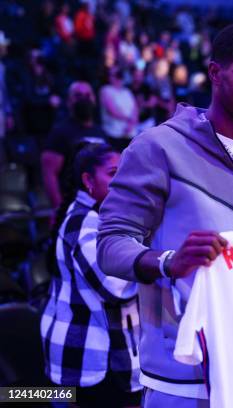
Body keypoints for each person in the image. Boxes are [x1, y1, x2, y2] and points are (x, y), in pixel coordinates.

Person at [97, 23, 233, 407]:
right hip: (179, 374)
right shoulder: (158, 147)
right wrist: (169, 262)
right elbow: (110, 245)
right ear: (216, 74)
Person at [41, 143, 141, 408]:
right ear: (88, 180)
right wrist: (154, 265)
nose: (122, 182)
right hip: (85, 355)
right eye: (112, 173)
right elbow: (114, 287)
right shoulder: (83, 222)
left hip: (91, 353)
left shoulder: (97, 216)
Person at [41, 81, 107, 211]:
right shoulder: (60, 132)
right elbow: (49, 173)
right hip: (73, 207)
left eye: (88, 95)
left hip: (100, 207)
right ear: (69, 101)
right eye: (78, 95)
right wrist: (59, 209)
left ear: (94, 100)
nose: (84, 99)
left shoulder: (101, 132)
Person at [99, 67, 138, 151]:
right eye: (113, 75)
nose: (117, 78)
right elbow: (112, 110)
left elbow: (135, 109)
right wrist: (129, 119)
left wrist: (131, 124)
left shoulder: (127, 91)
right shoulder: (105, 90)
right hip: (114, 133)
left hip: (130, 133)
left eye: (119, 75)